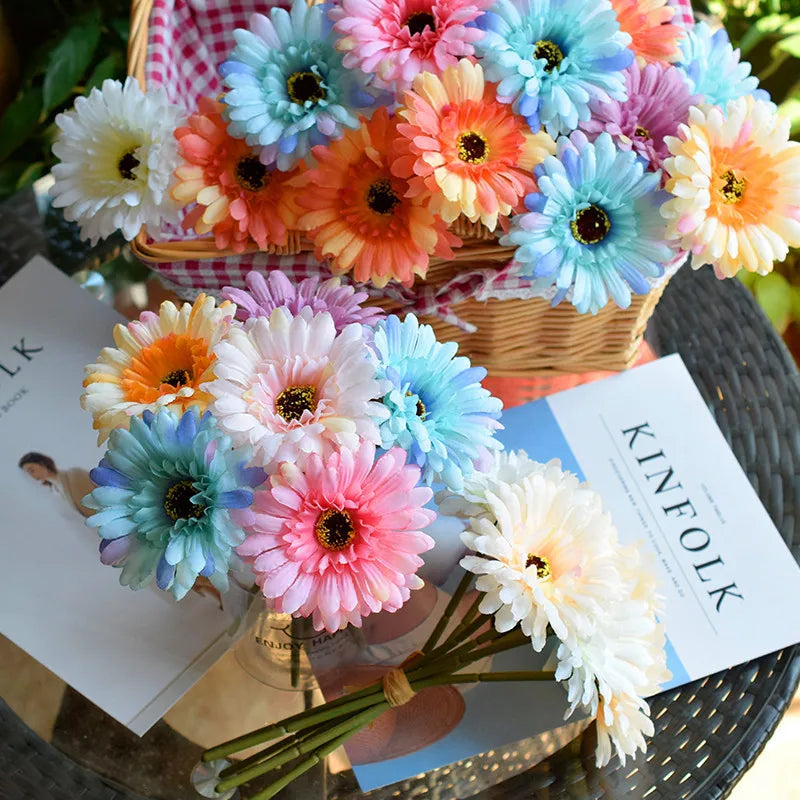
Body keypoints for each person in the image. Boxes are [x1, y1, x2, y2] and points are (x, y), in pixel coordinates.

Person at [18, 452, 95, 519]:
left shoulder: (74, 474)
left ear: (43, 464)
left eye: (32, 470)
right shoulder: (54, 490)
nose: (32, 476)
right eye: (29, 474)